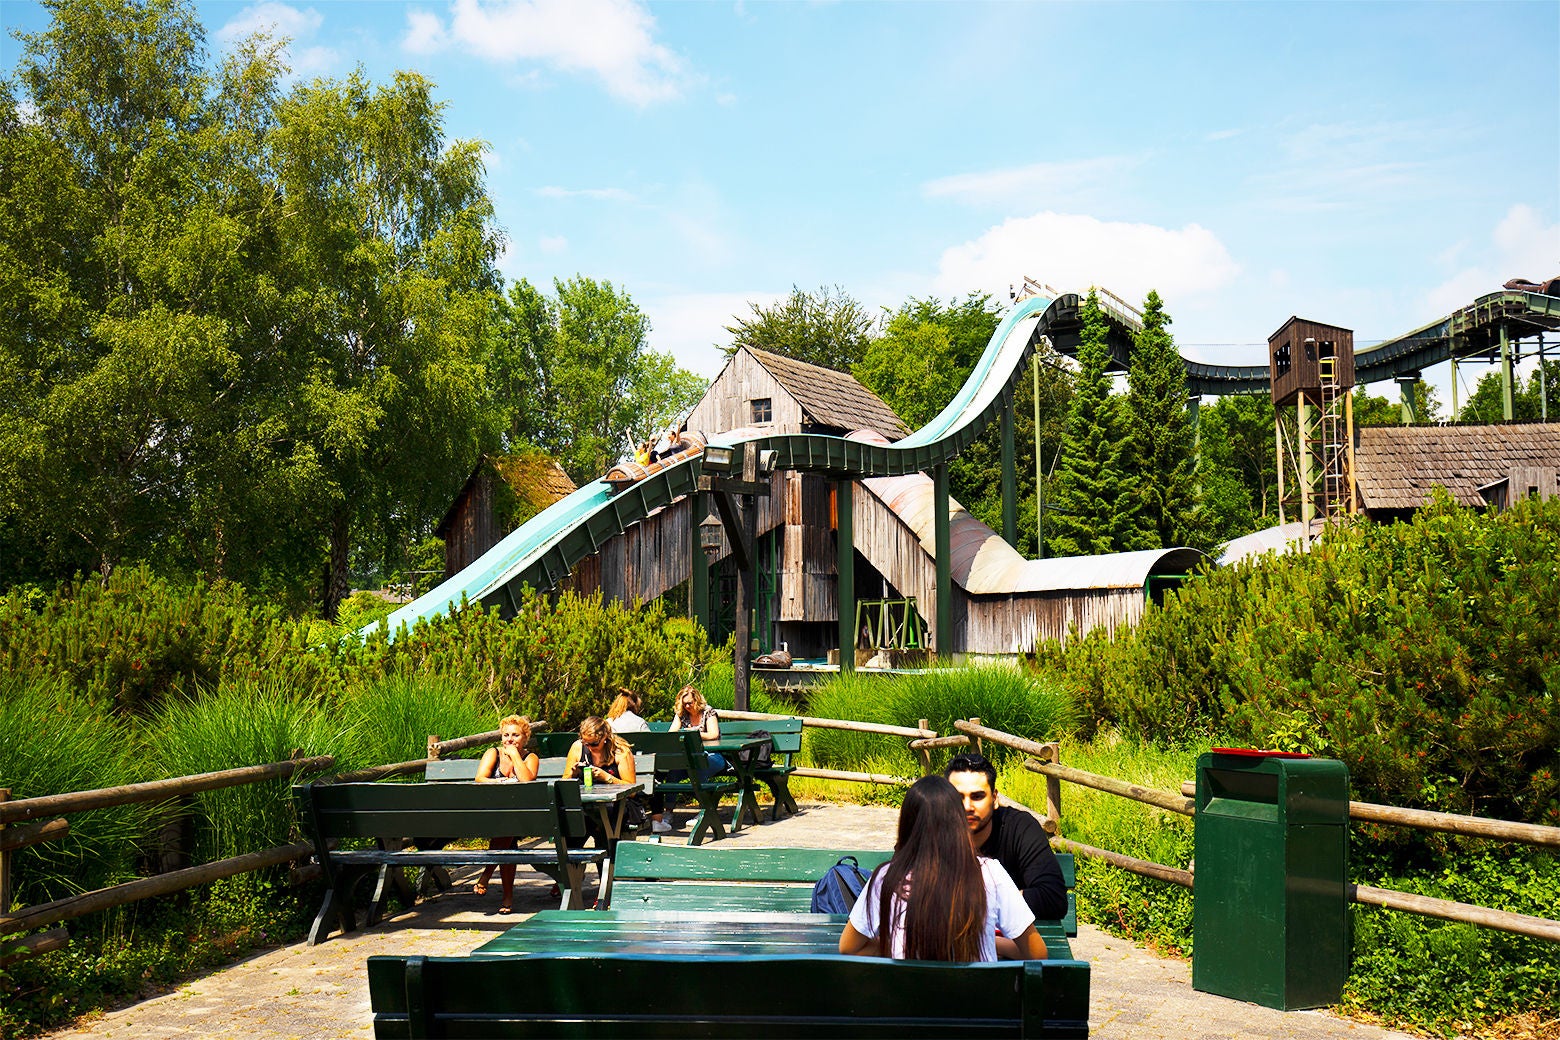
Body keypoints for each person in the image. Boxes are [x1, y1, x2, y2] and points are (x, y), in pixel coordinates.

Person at [838, 775, 1046, 961]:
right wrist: (991, 944)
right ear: (958, 822)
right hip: (977, 1001)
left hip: (907, 1002)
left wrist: (892, 946)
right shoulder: (990, 873)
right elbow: (1036, 953)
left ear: (907, 825)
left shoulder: (887, 876)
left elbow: (848, 947)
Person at [944, 752, 1069, 947]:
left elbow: (1052, 897)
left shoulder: (1020, 828)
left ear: (994, 799)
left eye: (977, 797)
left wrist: (986, 904)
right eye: (957, 797)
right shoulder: (930, 830)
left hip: (1014, 956)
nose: (967, 806)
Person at [473, 714, 540, 914]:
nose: (509, 739)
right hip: (492, 813)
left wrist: (516, 756)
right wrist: (500, 781)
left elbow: (527, 781)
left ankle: (487, 874)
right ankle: (507, 897)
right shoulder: (492, 753)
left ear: (525, 738)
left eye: (515, 735)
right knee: (507, 834)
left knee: (509, 827)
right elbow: (480, 778)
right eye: (506, 735)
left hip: (521, 816)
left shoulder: (531, 757)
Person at [562, 716, 643, 849]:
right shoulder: (578, 747)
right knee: (574, 816)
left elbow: (632, 791)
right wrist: (574, 773)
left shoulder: (620, 751)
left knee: (603, 820)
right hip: (587, 805)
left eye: (594, 744)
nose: (589, 747)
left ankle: (605, 860)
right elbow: (564, 783)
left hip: (618, 805)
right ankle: (570, 862)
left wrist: (607, 778)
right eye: (585, 743)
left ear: (605, 736)